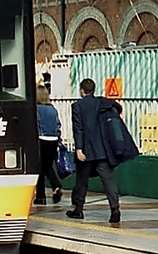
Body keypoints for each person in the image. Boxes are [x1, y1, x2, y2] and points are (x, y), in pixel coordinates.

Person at [68, 78, 121, 224]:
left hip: (86, 150)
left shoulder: (77, 106)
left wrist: (79, 148)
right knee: (108, 180)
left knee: (82, 181)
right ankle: (115, 208)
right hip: (103, 150)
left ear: (81, 90)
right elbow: (117, 106)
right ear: (94, 89)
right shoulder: (102, 103)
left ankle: (78, 210)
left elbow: (78, 128)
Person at [35, 84, 63, 205]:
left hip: (41, 139)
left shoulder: (36, 108)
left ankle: (40, 196)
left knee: (39, 168)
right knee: (48, 166)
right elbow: (58, 125)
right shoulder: (53, 109)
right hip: (53, 140)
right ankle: (56, 185)